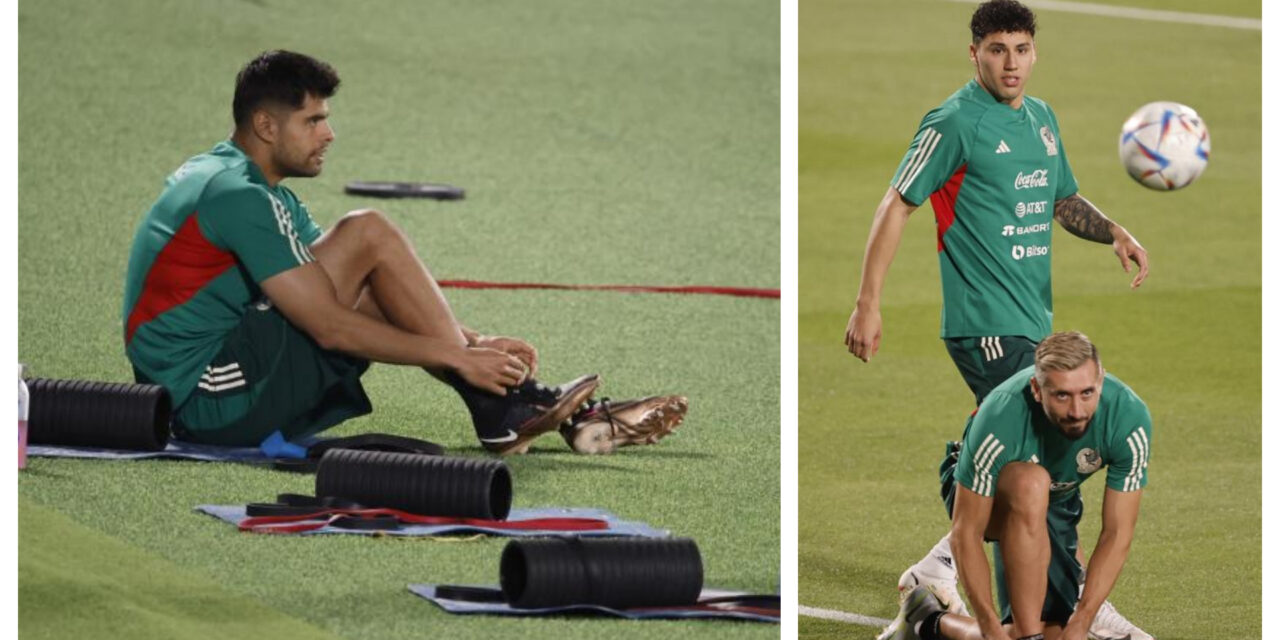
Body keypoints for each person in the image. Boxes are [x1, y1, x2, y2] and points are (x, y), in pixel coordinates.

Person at [121, 50, 686, 456]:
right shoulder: (239, 197)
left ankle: (507, 405)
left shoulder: (240, 181)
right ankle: (501, 405)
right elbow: (330, 327)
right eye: (313, 119)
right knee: (367, 230)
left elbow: (353, 289)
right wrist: (459, 358)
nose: (329, 133)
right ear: (266, 125)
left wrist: (474, 341)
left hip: (214, 377)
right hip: (205, 400)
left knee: (362, 256)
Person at [842, 1, 1152, 637]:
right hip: (982, 323)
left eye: (1020, 49)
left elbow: (1061, 199)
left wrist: (1113, 231)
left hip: (1035, 326)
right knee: (1050, 460)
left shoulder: (1041, 119)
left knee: (1018, 460)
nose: (1010, 63)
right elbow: (897, 203)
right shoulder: (955, 121)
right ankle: (1061, 612)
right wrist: (867, 302)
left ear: (1034, 52)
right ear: (974, 53)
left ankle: (937, 567)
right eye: (996, 50)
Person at [878, 331, 1151, 640]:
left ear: (1100, 383)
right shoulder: (1000, 417)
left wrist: (1082, 620)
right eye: (1062, 395)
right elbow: (966, 533)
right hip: (984, 489)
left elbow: (1117, 533)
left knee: (1052, 633)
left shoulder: (1129, 419)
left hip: (1055, 504)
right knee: (1030, 482)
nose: (1077, 410)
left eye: (1087, 393)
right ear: (1037, 389)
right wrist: (990, 627)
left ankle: (925, 620)